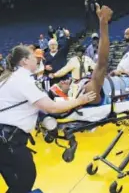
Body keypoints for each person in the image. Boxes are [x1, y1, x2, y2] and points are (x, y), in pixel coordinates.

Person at [0, 49, 96, 191]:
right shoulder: (24, 80)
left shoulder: (9, 78)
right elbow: (51, 107)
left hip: (6, 140)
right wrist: (79, 101)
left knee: (15, 181)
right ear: (25, 60)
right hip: (10, 142)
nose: (37, 60)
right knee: (25, 180)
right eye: (33, 57)